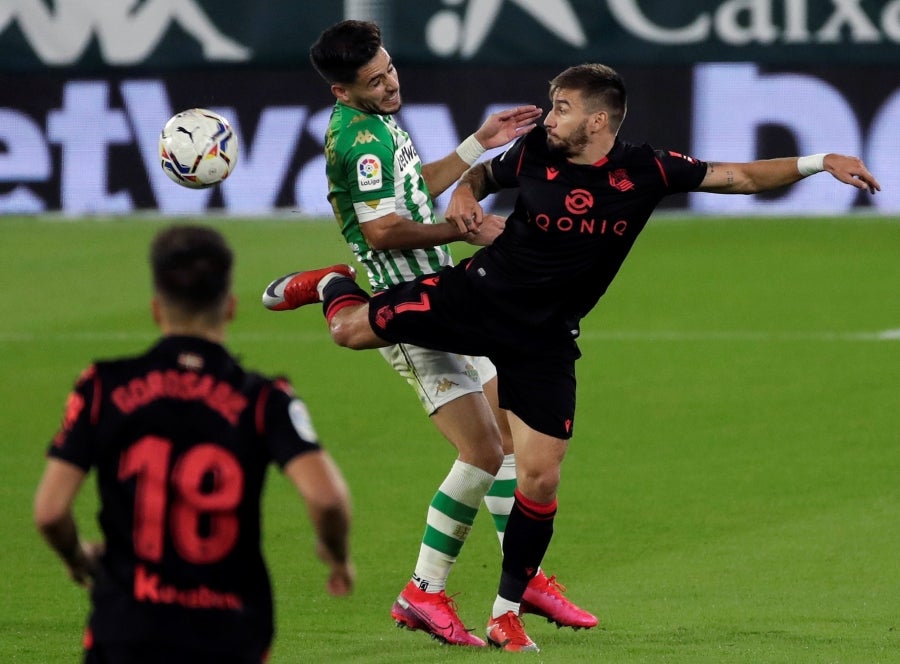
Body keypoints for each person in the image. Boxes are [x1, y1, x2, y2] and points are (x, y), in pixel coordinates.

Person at [260, 63, 881, 652]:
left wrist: (820, 160)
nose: (548, 119)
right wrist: (463, 197)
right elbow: (480, 177)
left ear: (599, 122)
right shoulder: (534, 153)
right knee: (350, 332)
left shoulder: (647, 171)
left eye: (561, 109)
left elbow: (741, 176)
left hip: (545, 338)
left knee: (540, 473)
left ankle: (506, 610)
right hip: (476, 296)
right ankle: (331, 282)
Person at [269, 19, 594, 647]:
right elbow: (385, 232)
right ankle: (424, 590)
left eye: (390, 69)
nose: (391, 85)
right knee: (481, 451)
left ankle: (522, 577)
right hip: (411, 310)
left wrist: (478, 142)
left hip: (454, 295)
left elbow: (414, 195)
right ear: (341, 91)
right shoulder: (360, 141)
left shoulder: (381, 120)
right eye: (374, 81)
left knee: (504, 432)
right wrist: (464, 229)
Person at [34, 225, 354, 663]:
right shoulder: (264, 400)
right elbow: (327, 498)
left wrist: (76, 557)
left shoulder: (102, 388)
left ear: (155, 309)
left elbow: (50, 512)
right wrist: (336, 555)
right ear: (231, 308)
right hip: (229, 632)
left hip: (126, 627)